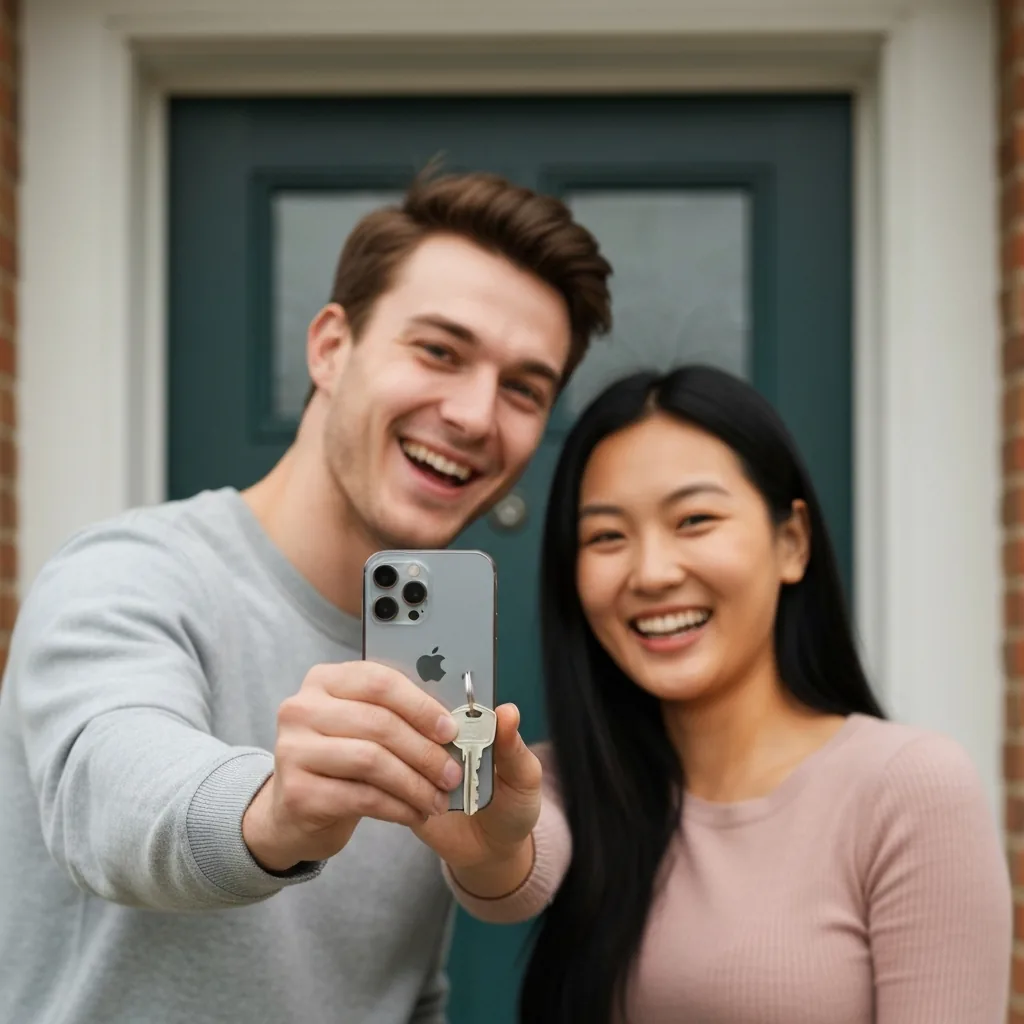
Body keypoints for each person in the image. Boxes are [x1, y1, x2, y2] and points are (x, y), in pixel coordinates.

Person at [0, 168, 610, 1023]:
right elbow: (109, 793)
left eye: (524, 389)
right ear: (330, 347)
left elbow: (396, 989)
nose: (476, 414)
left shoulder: (433, 657)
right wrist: (275, 810)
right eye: (439, 350)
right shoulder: (129, 573)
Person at [445, 365, 1013, 1024]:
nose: (652, 573)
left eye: (694, 520)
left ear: (792, 542)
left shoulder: (910, 789)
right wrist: (484, 834)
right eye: (606, 536)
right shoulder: (561, 780)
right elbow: (511, 867)